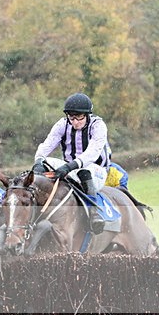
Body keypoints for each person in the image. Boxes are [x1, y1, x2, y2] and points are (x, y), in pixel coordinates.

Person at [32, 92, 110, 234]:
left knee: (84, 171)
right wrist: (39, 160)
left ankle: (94, 213)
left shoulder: (98, 126)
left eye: (79, 117)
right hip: (70, 167)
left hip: (96, 170)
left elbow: (92, 153)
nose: (74, 122)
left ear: (87, 115)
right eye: (71, 117)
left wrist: (69, 166)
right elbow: (47, 144)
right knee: (44, 164)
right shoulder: (62, 124)